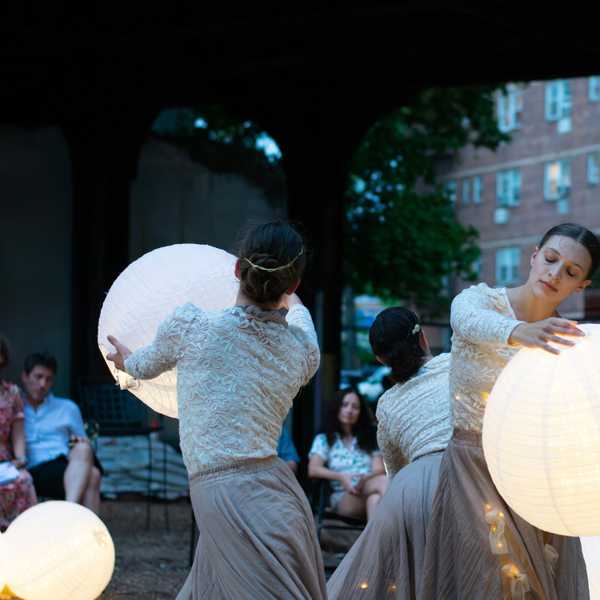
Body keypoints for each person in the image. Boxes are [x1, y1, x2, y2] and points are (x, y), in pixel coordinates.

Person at [106, 221, 326, 600]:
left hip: (221, 491)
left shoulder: (191, 326)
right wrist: (292, 298)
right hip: (274, 493)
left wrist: (125, 362)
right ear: (293, 285)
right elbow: (302, 319)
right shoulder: (303, 350)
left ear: (237, 269)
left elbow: (142, 365)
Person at [421, 223, 598, 599]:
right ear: (534, 256)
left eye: (570, 272)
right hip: (472, 469)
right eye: (550, 259)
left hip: (534, 477)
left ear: (581, 286)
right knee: (486, 581)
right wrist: (519, 332)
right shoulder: (480, 301)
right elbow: (463, 318)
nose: (554, 274)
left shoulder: (567, 339)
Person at [327, 308, 452, 599]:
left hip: (410, 492)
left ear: (381, 360)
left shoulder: (387, 405)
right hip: (465, 474)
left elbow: (394, 472)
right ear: (422, 338)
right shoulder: (456, 366)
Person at [21, 352, 102, 514]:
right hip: (30, 467)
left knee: (84, 448)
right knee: (93, 475)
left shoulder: (67, 408)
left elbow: (81, 444)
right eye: (38, 377)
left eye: (48, 379)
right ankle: (80, 523)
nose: (43, 384)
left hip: (63, 465)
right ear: (25, 377)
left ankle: (69, 510)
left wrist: (76, 442)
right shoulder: (15, 406)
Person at [308, 388, 388, 522]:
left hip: (367, 485)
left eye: (355, 407)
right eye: (344, 405)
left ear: (360, 412)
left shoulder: (369, 438)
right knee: (383, 483)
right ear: (337, 408)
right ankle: (405, 524)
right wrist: (341, 477)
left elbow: (379, 469)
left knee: (375, 499)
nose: (349, 410)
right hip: (344, 496)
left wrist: (364, 479)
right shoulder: (324, 439)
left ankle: (374, 537)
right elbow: (313, 469)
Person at [0, 335, 37, 530]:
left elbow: (18, 435)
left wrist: (20, 459)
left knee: (24, 480)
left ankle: (24, 537)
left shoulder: (11, 393)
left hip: (4, 464)